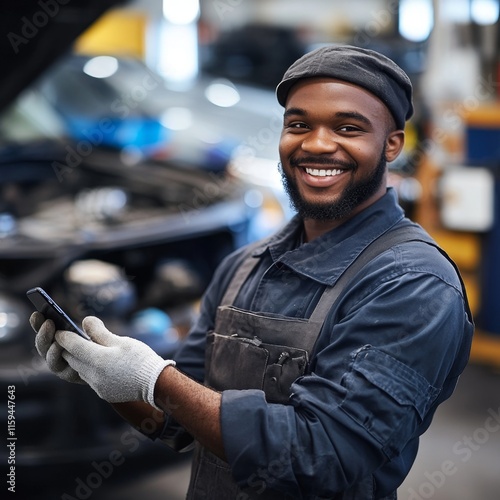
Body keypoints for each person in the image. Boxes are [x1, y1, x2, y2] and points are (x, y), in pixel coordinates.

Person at [31, 45, 474, 499]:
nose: (317, 144)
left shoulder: (413, 284)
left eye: (348, 127)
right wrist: (109, 378)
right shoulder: (245, 265)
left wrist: (155, 379)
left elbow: (324, 456)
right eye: (299, 125)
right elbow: (174, 422)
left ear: (392, 144)